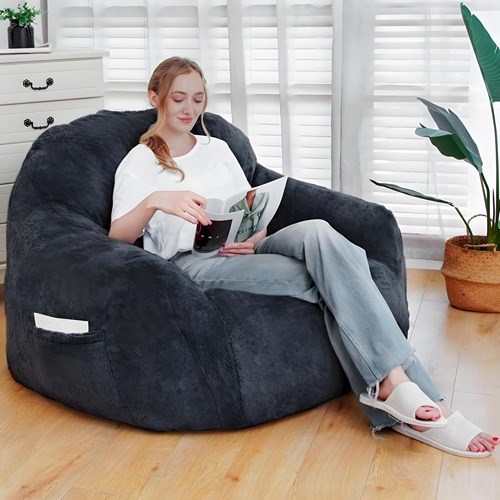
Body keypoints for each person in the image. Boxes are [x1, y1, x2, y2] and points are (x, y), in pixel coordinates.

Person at [109, 56, 498, 458]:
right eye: (178, 99)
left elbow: (248, 206)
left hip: (245, 247)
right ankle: (413, 394)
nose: (189, 109)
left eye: (198, 98)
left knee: (320, 232)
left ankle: (393, 392)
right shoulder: (140, 162)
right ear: (155, 97)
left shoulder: (218, 148)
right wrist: (156, 201)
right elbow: (117, 236)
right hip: (194, 262)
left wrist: (253, 234)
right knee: (339, 274)